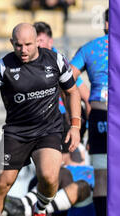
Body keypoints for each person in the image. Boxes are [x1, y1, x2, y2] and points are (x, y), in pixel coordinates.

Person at [0, 23, 81, 216]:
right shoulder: (3, 66)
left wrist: (75, 125)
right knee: (1, 185)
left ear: (37, 41)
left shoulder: (55, 60)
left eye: (28, 44)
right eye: (18, 45)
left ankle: (40, 210)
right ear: (11, 43)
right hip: (16, 132)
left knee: (49, 176)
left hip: (49, 129)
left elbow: (72, 92)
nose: (23, 50)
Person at [70, 9, 108, 216]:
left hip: (100, 113)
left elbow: (67, 77)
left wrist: (79, 100)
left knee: (102, 178)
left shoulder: (90, 48)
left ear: (105, 23)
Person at [34, 21, 90, 166]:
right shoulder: (31, 65)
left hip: (65, 119)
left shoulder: (60, 63)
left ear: (50, 41)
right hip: (44, 121)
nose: (38, 45)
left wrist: (84, 127)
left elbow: (85, 96)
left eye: (41, 40)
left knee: (70, 164)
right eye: (36, 41)